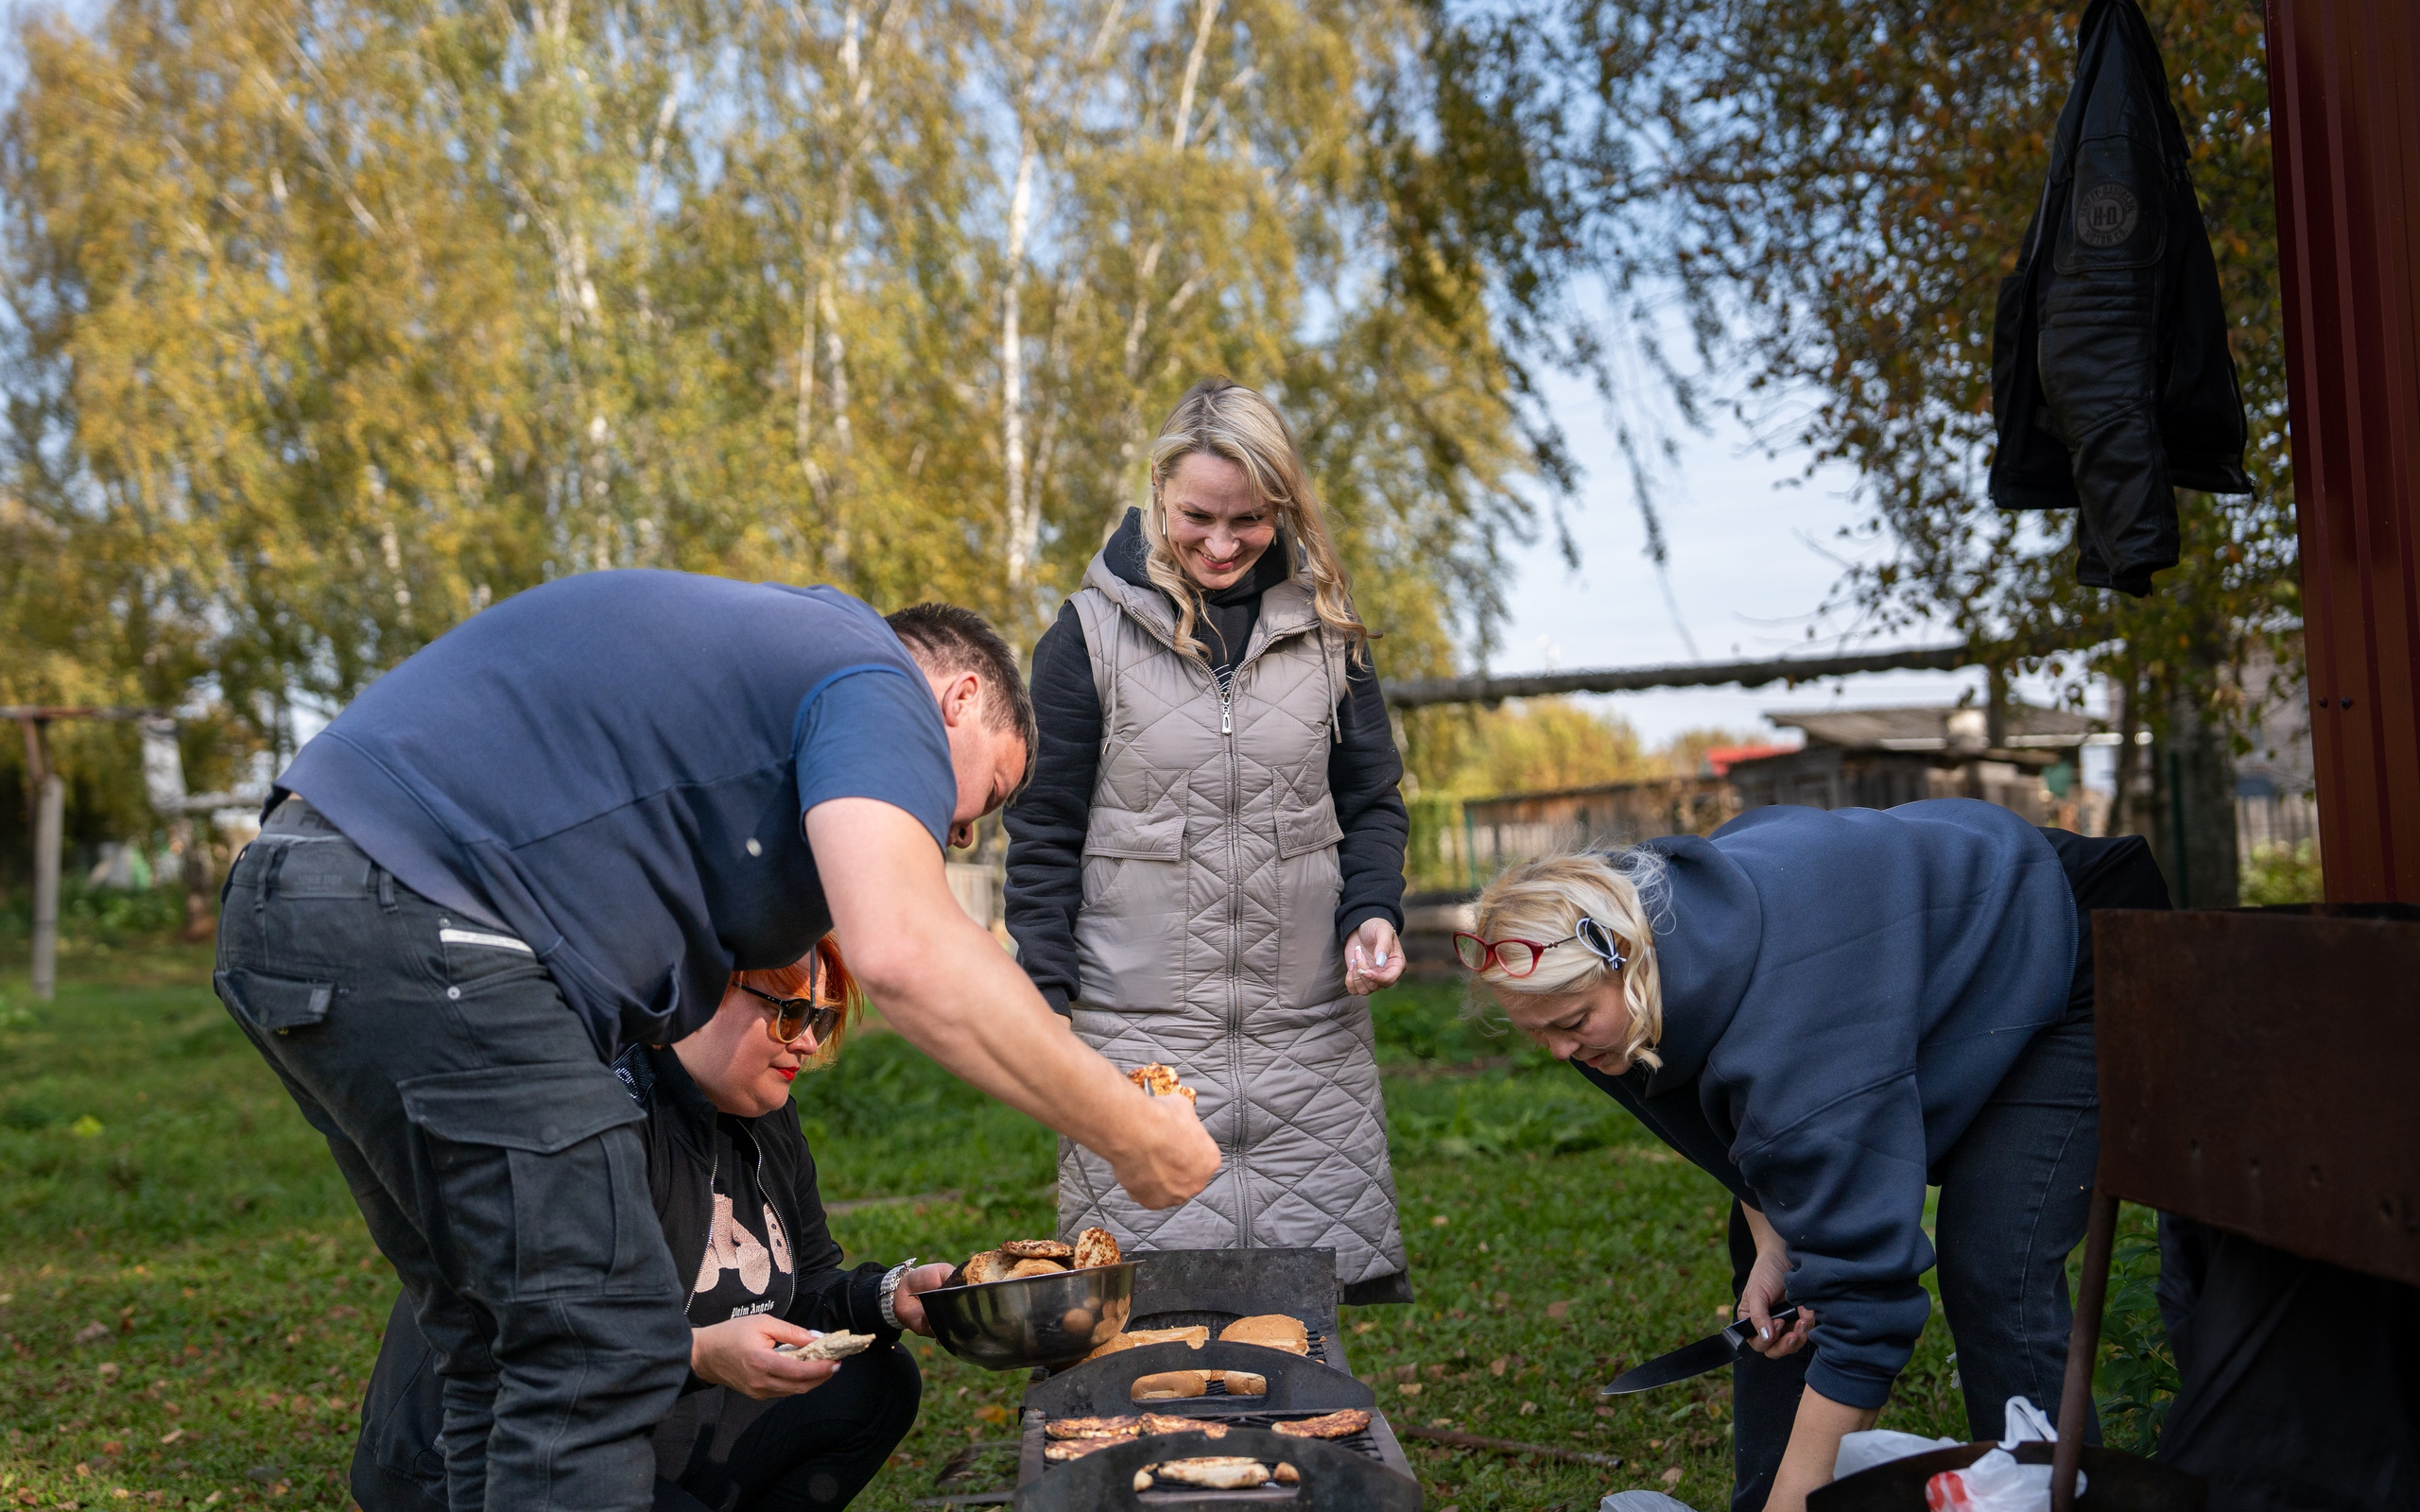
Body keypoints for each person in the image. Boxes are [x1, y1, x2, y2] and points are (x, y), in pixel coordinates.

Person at [215, 576, 1219, 1512]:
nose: (959, 836)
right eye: (985, 799)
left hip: (305, 895)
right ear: (954, 701)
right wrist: (1133, 1132)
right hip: (424, 913)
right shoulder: (872, 679)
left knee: (498, 1341)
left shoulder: (778, 674)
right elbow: (909, 951)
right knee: (597, 1346)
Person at [1456, 799, 2170, 1512]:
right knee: (1790, 1269)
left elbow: (1870, 1307)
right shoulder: (1609, 972)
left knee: (1991, 1261)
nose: (1559, 1050)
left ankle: (2049, 1500)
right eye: (1537, 1033)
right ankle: (1768, 1495)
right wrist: (1776, 1238)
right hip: (1912, 952)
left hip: (2054, 936)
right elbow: (1729, 1137)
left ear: (1633, 963)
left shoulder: (1792, 1040)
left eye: (1574, 1024)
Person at [1005, 377, 1414, 1303]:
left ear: (1283, 507)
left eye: (1251, 519)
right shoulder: (1085, 637)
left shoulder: (1328, 632)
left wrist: (1373, 909)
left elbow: (1372, 801)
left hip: (1304, 1035)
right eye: (1197, 516)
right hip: (1138, 1042)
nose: (1221, 544)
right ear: (1157, 493)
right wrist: (1042, 1001)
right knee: (1149, 1328)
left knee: (1303, 1332)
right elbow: (1042, 828)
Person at [354, 941, 954, 1512]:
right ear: (699, 991)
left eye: (820, 1023)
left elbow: (808, 1282)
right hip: (493, 1453)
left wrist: (889, 1297)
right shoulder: (595, 1120)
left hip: (641, 1412)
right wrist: (695, 1355)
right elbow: (540, 1344)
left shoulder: (765, 1113)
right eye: (790, 1013)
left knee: (873, 1383)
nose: (803, 1043)